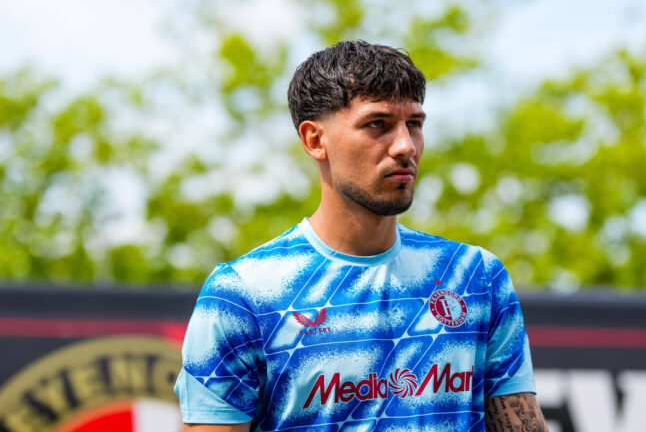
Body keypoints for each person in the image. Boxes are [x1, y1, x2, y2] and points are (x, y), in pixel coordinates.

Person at [175, 40, 548, 432]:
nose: (406, 146)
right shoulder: (242, 294)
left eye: (415, 125)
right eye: (378, 124)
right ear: (315, 140)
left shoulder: (476, 277)